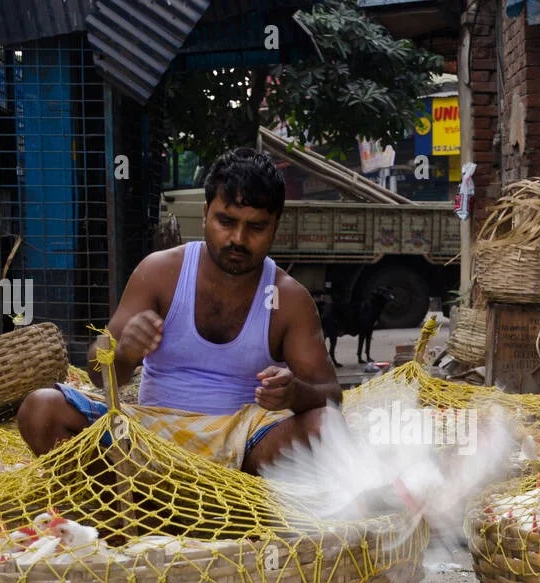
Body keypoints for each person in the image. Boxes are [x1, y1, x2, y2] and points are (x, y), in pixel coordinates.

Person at [17, 148, 340, 474]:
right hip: (147, 440)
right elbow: (99, 373)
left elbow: (331, 395)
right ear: (204, 214)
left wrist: (295, 393)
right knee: (41, 409)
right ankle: (121, 500)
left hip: (245, 449)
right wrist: (124, 353)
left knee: (325, 428)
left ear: (275, 227)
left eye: (256, 227)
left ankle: (207, 501)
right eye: (225, 221)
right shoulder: (161, 272)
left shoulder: (290, 299)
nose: (238, 239)